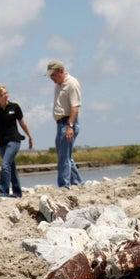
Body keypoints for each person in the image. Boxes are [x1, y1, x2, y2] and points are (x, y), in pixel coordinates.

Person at [0, 85, 33, 198]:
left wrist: (29, 136)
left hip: (14, 140)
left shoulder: (14, 107)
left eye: (6, 93)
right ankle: (17, 193)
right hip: (2, 143)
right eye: (3, 94)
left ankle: (3, 193)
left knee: (5, 165)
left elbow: (22, 123)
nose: (6, 95)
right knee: (11, 166)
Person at [47, 60, 82, 188]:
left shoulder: (71, 84)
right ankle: (77, 182)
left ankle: (64, 185)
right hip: (60, 124)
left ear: (60, 71)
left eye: (53, 75)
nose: (52, 78)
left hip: (68, 123)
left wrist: (70, 126)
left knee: (63, 158)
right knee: (66, 156)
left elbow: (75, 106)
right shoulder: (59, 85)